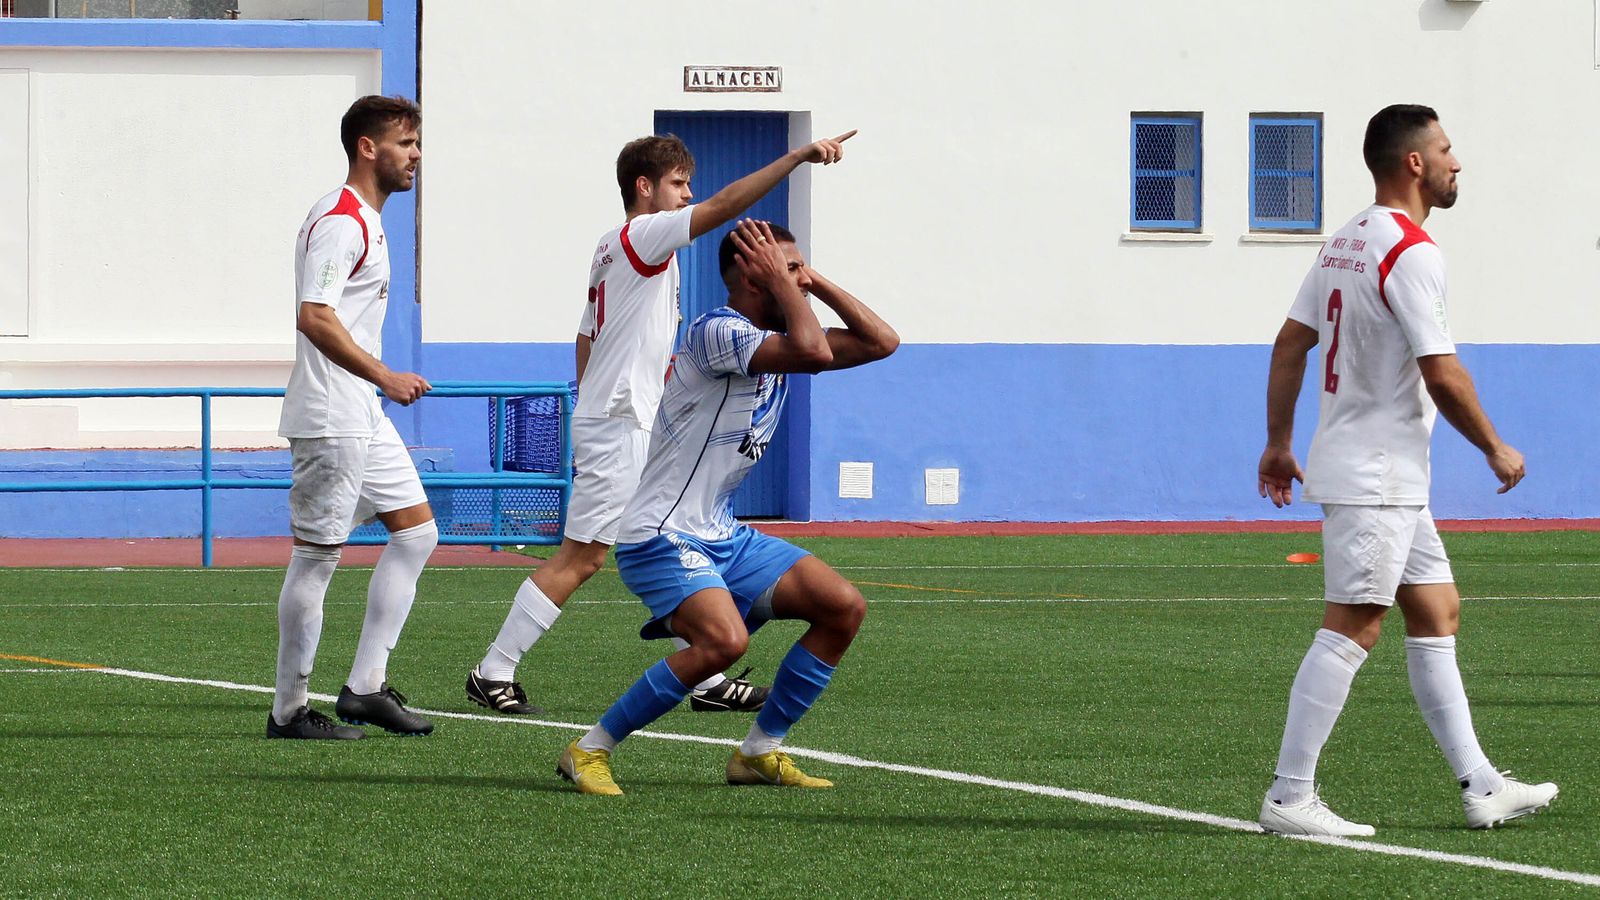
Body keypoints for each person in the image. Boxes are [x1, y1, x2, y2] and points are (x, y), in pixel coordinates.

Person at [467, 130, 858, 716]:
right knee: (586, 555)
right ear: (643, 187)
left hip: (622, 418)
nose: (688, 195)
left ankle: (705, 673)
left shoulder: (616, 249)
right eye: (678, 184)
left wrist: (594, 398)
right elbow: (720, 210)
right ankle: (494, 668)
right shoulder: (644, 236)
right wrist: (798, 157)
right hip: (620, 423)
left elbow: (585, 334)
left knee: (668, 531)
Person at [1255, 104, 1557, 834]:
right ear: (1414, 163)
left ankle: (1480, 782)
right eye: (1447, 150)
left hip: (1383, 475)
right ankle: (1290, 797)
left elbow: (1291, 342)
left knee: (1437, 610)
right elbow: (1443, 372)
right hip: (1376, 477)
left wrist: (1277, 442)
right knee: (1354, 626)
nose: (1458, 162)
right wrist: (1493, 444)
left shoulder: (1346, 241)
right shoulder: (1412, 252)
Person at [557, 219, 898, 795]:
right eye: (787, 268)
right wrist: (790, 288)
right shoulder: (718, 331)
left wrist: (812, 281)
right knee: (724, 644)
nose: (799, 278)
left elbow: (882, 342)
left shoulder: (781, 339)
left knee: (842, 607)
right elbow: (813, 349)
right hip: (660, 532)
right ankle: (588, 751)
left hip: (721, 533)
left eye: (798, 267)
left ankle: (758, 752)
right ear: (751, 275)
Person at [267, 95, 437, 740]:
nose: (416, 154)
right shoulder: (342, 220)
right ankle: (288, 711)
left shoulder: (365, 217)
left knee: (417, 534)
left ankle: (365, 689)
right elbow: (315, 316)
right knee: (316, 558)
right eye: (406, 142)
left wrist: (376, 388)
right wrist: (385, 375)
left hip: (360, 412)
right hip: (333, 414)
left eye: (417, 142)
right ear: (369, 147)